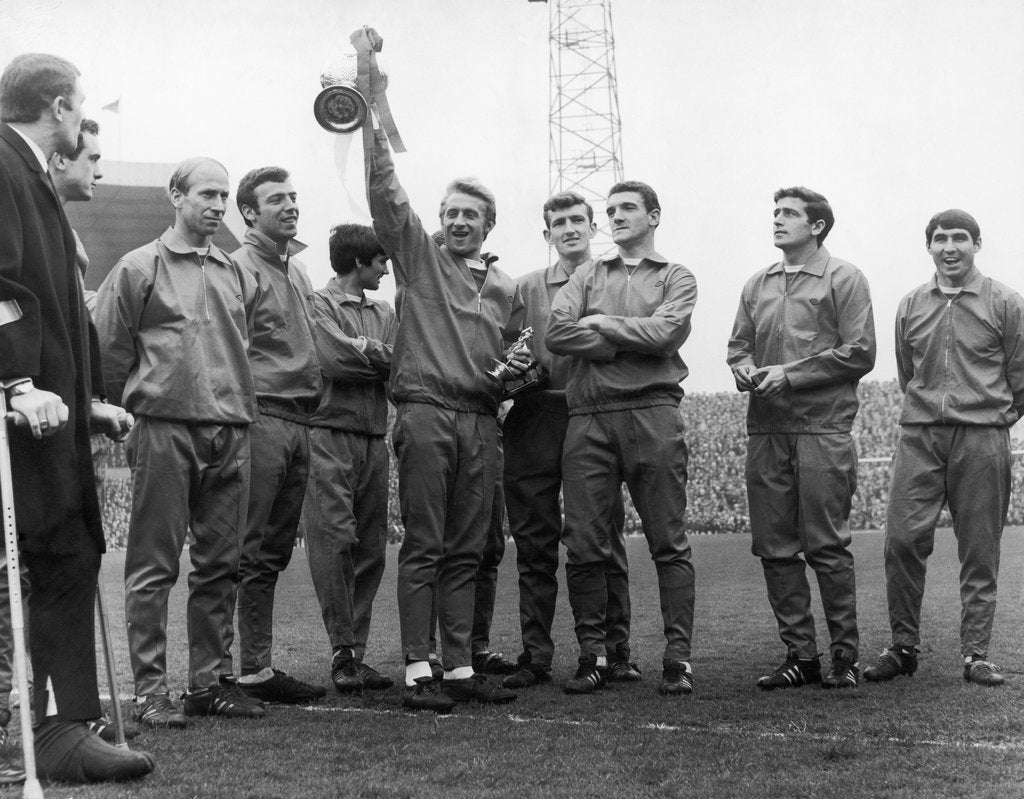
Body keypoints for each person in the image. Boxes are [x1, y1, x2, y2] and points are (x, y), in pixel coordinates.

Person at [0, 52, 153, 783]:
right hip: (21, 414)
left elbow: (52, 307)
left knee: (68, 548)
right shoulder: (1, 162)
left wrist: (84, 398)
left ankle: (63, 721)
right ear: (59, 107)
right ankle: (52, 729)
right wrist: (16, 381)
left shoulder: (27, 174)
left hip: (53, 415)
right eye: (80, 106)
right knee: (53, 553)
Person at [361, 76, 526, 712]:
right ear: (438, 221)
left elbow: (517, 358)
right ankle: (417, 670)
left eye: (471, 215)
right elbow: (386, 196)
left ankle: (459, 667)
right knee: (427, 544)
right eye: (451, 213)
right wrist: (371, 108)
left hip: (482, 420)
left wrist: (517, 374)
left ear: (489, 224)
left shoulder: (507, 287)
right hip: (427, 412)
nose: (459, 221)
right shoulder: (418, 259)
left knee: (467, 547)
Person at [94, 156, 264, 727]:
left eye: (224, 196)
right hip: (165, 428)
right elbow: (110, 354)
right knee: (153, 565)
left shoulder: (234, 271)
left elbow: (246, 349)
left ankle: (207, 684)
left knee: (221, 564)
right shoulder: (138, 266)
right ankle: (149, 691)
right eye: (207, 195)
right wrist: (131, 411)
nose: (217, 206)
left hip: (232, 429)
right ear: (176, 195)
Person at [546, 180, 696, 697]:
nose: (616, 216)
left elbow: (667, 334)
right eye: (610, 210)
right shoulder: (587, 273)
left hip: (653, 412)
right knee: (586, 543)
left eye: (628, 208)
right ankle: (595, 654)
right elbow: (557, 333)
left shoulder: (677, 275)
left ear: (654, 216)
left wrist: (604, 322)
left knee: (667, 541)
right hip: (588, 416)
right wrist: (621, 343)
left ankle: (678, 659)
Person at [864, 209, 1024, 687]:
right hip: (920, 436)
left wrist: (991, 419)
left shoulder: (1005, 303)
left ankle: (976, 654)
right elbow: (907, 375)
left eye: (959, 238)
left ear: (977, 244)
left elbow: (1020, 379)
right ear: (928, 246)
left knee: (978, 547)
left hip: (981, 437)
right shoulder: (912, 304)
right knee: (902, 541)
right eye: (939, 238)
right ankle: (903, 647)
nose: (949, 246)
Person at [727, 186, 875, 691]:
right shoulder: (757, 283)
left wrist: (789, 374)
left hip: (822, 428)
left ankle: (845, 657)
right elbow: (738, 347)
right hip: (766, 429)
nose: (777, 220)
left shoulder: (844, 277)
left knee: (827, 548)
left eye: (789, 214)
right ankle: (800, 656)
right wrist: (744, 369)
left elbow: (860, 352)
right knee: (773, 549)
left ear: (816, 226)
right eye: (775, 212)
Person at [502, 191, 635, 690]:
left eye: (578, 219)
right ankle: (535, 654)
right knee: (534, 542)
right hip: (535, 415)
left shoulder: (617, 282)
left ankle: (612, 652)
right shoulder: (524, 288)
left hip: (594, 412)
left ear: (592, 226)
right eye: (559, 222)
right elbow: (503, 348)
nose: (569, 228)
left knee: (601, 539)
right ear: (547, 234)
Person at [221, 167, 326, 705]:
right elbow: (231, 350)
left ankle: (256, 669)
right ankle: (219, 675)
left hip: (302, 419)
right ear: (248, 212)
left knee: (272, 553)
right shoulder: (239, 268)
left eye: (293, 195)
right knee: (244, 548)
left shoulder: (299, 271)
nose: (289, 205)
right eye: (276, 199)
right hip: (260, 415)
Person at [302, 223, 396, 694]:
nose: (386, 269)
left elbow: (402, 365)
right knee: (334, 540)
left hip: (375, 437)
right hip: (328, 433)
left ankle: (356, 655)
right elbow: (333, 361)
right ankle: (342, 651)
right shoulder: (317, 302)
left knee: (371, 547)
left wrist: (366, 351)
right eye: (381, 261)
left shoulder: (384, 309)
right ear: (359, 262)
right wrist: (377, 358)